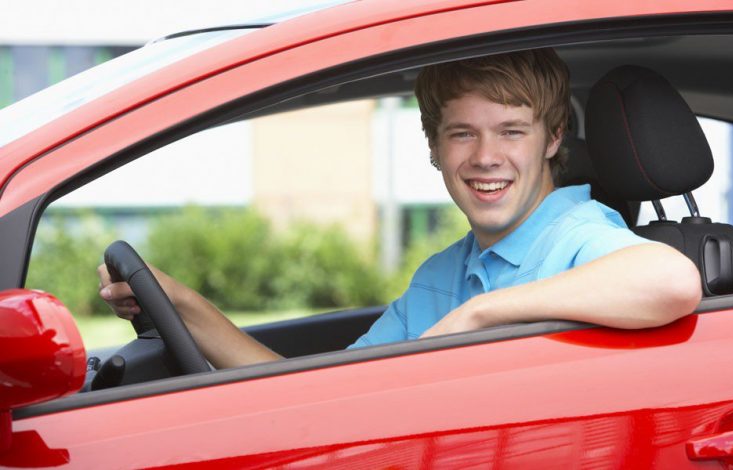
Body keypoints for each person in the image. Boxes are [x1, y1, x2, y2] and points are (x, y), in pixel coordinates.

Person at [98, 48, 702, 368]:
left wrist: (481, 315)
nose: (486, 156)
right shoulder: (442, 274)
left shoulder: (575, 231)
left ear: (551, 141)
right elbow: (332, 389)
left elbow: (670, 280)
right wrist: (181, 302)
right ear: (434, 149)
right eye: (462, 133)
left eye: (512, 132)